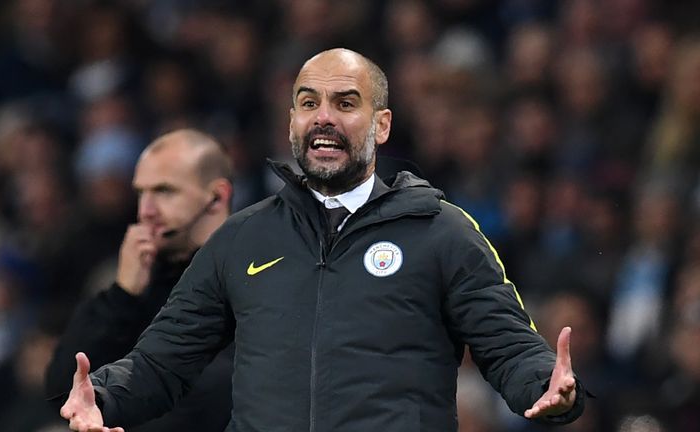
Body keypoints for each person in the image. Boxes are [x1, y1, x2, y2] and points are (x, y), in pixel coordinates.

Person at [59, 48, 586, 432]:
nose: (324, 118)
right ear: (291, 122)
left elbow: (509, 346)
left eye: (345, 103)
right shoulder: (241, 238)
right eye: (309, 103)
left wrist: (545, 384)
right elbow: (162, 361)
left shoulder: (443, 232)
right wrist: (102, 397)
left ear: (381, 125)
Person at [46, 129, 234, 431]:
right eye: (140, 193)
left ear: (216, 197)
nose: (145, 211)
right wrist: (122, 295)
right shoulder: (135, 278)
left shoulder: (248, 276)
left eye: (164, 191)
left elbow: (215, 393)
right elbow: (62, 394)